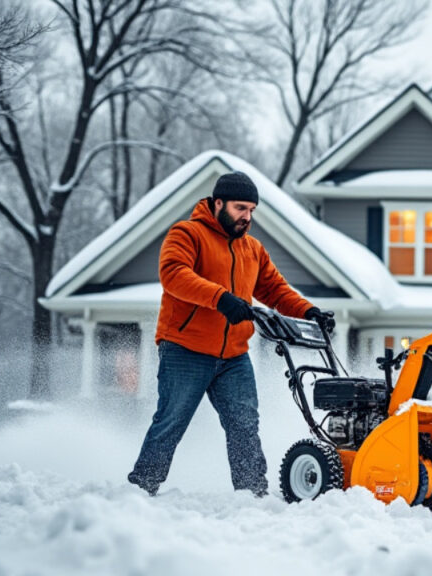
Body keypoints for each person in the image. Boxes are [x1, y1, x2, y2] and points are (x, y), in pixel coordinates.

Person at [128, 171, 335, 497]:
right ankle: (142, 488)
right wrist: (221, 298)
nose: (247, 217)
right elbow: (174, 275)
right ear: (218, 202)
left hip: (234, 356)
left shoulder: (252, 249)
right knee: (171, 422)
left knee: (244, 425)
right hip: (185, 349)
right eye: (241, 208)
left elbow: (275, 290)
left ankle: (252, 493)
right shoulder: (187, 233)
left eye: (252, 210)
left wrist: (309, 311)